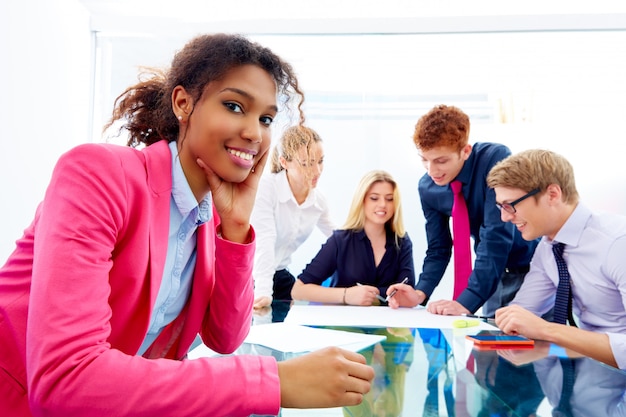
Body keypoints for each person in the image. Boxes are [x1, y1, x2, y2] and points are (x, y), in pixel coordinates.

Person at [0, 33, 374, 417]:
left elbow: (226, 337)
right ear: (183, 103)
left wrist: (236, 227)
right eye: (233, 106)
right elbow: (66, 380)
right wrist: (274, 381)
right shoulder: (99, 175)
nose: (253, 132)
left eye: (265, 119)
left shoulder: (209, 217)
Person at [386, 104, 538, 316]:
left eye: (441, 161)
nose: (432, 171)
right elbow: (439, 248)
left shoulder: (494, 158)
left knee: (534, 344)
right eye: (424, 160)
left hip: (531, 273)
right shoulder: (428, 187)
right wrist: (420, 292)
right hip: (491, 278)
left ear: (466, 151)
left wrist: (466, 301)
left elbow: (495, 235)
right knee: (490, 343)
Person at [487, 149, 626, 370]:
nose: (504, 216)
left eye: (510, 204)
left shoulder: (618, 244)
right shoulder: (549, 248)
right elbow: (521, 314)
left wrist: (547, 331)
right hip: (586, 379)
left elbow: (538, 326)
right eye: (500, 206)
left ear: (552, 194)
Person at [292, 170, 415, 305]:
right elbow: (298, 291)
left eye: (390, 199)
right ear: (362, 201)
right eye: (374, 198)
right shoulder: (340, 241)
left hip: (388, 323)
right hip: (343, 322)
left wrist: (391, 297)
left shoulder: (402, 241)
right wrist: (346, 295)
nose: (383, 205)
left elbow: (408, 291)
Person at [251, 125, 334, 320]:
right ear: (284, 162)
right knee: (252, 339)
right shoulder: (266, 189)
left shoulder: (318, 200)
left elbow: (339, 239)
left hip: (280, 276)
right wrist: (263, 291)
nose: (316, 171)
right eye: (306, 163)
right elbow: (265, 241)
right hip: (251, 277)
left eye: (320, 162)